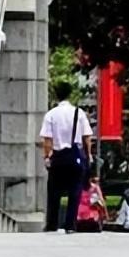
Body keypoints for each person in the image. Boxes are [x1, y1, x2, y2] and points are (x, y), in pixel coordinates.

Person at [40, 81, 93, 233]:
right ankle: (70, 224)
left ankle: (52, 224)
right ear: (69, 95)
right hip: (75, 156)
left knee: (54, 191)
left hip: (58, 157)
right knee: (75, 190)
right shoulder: (79, 113)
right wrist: (88, 155)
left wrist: (47, 157)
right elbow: (87, 137)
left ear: (56, 95)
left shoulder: (51, 114)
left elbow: (47, 140)